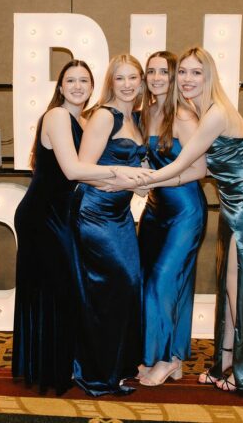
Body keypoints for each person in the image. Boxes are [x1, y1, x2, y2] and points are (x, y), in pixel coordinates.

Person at [136, 47, 243, 392]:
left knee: (238, 287)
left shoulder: (214, 114)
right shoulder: (199, 110)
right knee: (229, 285)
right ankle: (226, 362)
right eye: (182, 72)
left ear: (209, 76)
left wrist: (143, 179)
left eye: (195, 73)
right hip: (233, 201)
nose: (186, 79)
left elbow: (183, 164)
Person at [12, 59, 147, 395]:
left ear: (91, 86)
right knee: (53, 291)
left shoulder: (84, 119)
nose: (77, 86)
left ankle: (60, 365)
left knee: (63, 293)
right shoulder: (57, 115)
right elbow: (74, 171)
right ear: (60, 87)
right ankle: (50, 370)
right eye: (70, 80)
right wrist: (120, 173)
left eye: (83, 81)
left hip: (63, 213)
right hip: (42, 215)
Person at [71, 54, 148, 396]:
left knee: (128, 287)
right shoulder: (104, 116)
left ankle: (115, 367)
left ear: (142, 82)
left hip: (120, 215)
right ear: (111, 83)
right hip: (95, 213)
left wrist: (138, 182)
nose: (128, 84)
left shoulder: (138, 119)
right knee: (111, 288)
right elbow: (82, 169)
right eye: (121, 78)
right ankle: (96, 374)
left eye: (134, 78)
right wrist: (122, 178)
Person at [134, 51, 208, 386]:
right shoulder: (144, 112)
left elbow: (200, 169)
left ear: (175, 75)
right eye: (150, 71)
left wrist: (155, 180)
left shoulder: (183, 117)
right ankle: (172, 357)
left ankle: (164, 357)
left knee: (163, 283)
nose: (156, 77)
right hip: (154, 211)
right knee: (153, 280)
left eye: (164, 71)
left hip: (184, 212)